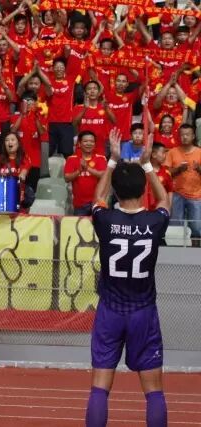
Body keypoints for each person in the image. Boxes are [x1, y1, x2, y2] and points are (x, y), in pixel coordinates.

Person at [86, 127, 170, 427]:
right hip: (143, 311)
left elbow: (98, 197)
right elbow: (164, 201)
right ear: (142, 188)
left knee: (100, 385)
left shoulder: (105, 219)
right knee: (153, 390)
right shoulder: (154, 221)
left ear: (116, 191)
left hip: (110, 310)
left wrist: (112, 160)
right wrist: (147, 165)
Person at [163, 123, 201, 245]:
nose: (184, 137)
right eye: (182, 135)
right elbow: (166, 173)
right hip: (177, 194)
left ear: (193, 136)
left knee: (196, 227)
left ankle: (196, 251)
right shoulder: (172, 152)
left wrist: (199, 169)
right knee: (175, 226)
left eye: (187, 134)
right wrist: (178, 169)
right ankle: (176, 250)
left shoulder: (199, 152)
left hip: (196, 195)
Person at [64, 131, 107, 216]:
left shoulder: (101, 158)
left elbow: (104, 176)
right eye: (85, 141)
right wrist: (79, 171)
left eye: (91, 141)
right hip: (79, 205)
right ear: (79, 144)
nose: (89, 144)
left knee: (98, 224)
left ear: (95, 144)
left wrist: (87, 168)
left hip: (97, 203)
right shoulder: (71, 159)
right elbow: (67, 178)